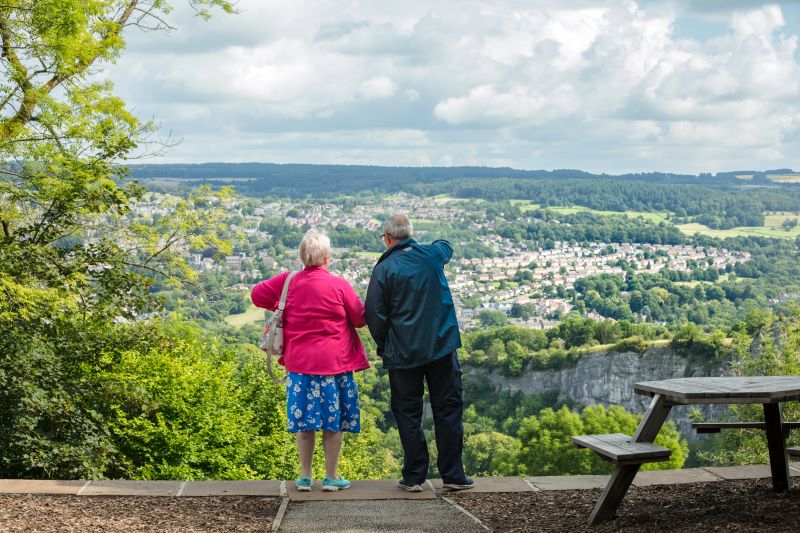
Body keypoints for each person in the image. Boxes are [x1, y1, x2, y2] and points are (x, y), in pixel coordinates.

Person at [251, 229, 369, 492]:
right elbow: (360, 318)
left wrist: (284, 307)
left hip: (300, 366)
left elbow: (257, 295)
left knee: (304, 421)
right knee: (333, 422)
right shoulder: (339, 285)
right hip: (334, 364)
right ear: (327, 258)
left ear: (302, 257)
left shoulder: (288, 281)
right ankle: (331, 476)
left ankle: (304, 477)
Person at [365, 215, 474, 492]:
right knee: (448, 409)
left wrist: (384, 346)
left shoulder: (384, 269)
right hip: (441, 348)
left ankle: (414, 476)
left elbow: (375, 315)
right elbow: (445, 245)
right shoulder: (431, 255)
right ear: (410, 235)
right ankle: (453, 475)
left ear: (388, 239)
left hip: (403, 354)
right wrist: (428, 246)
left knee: (408, 412)